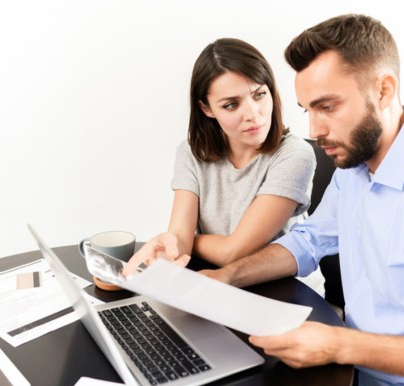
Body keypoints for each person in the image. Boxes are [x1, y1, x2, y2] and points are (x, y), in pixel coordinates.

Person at [198, 15, 404, 386]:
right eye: (307, 110)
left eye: (327, 107)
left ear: (383, 90)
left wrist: (337, 344)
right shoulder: (354, 170)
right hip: (361, 376)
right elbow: (310, 239)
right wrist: (229, 276)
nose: (314, 131)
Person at [119, 38, 315, 279]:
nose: (253, 114)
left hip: (283, 290)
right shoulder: (191, 152)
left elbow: (234, 251)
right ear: (207, 109)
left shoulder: (295, 155)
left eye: (259, 94)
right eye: (231, 105)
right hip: (215, 281)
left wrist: (188, 240)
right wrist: (174, 244)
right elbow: (178, 242)